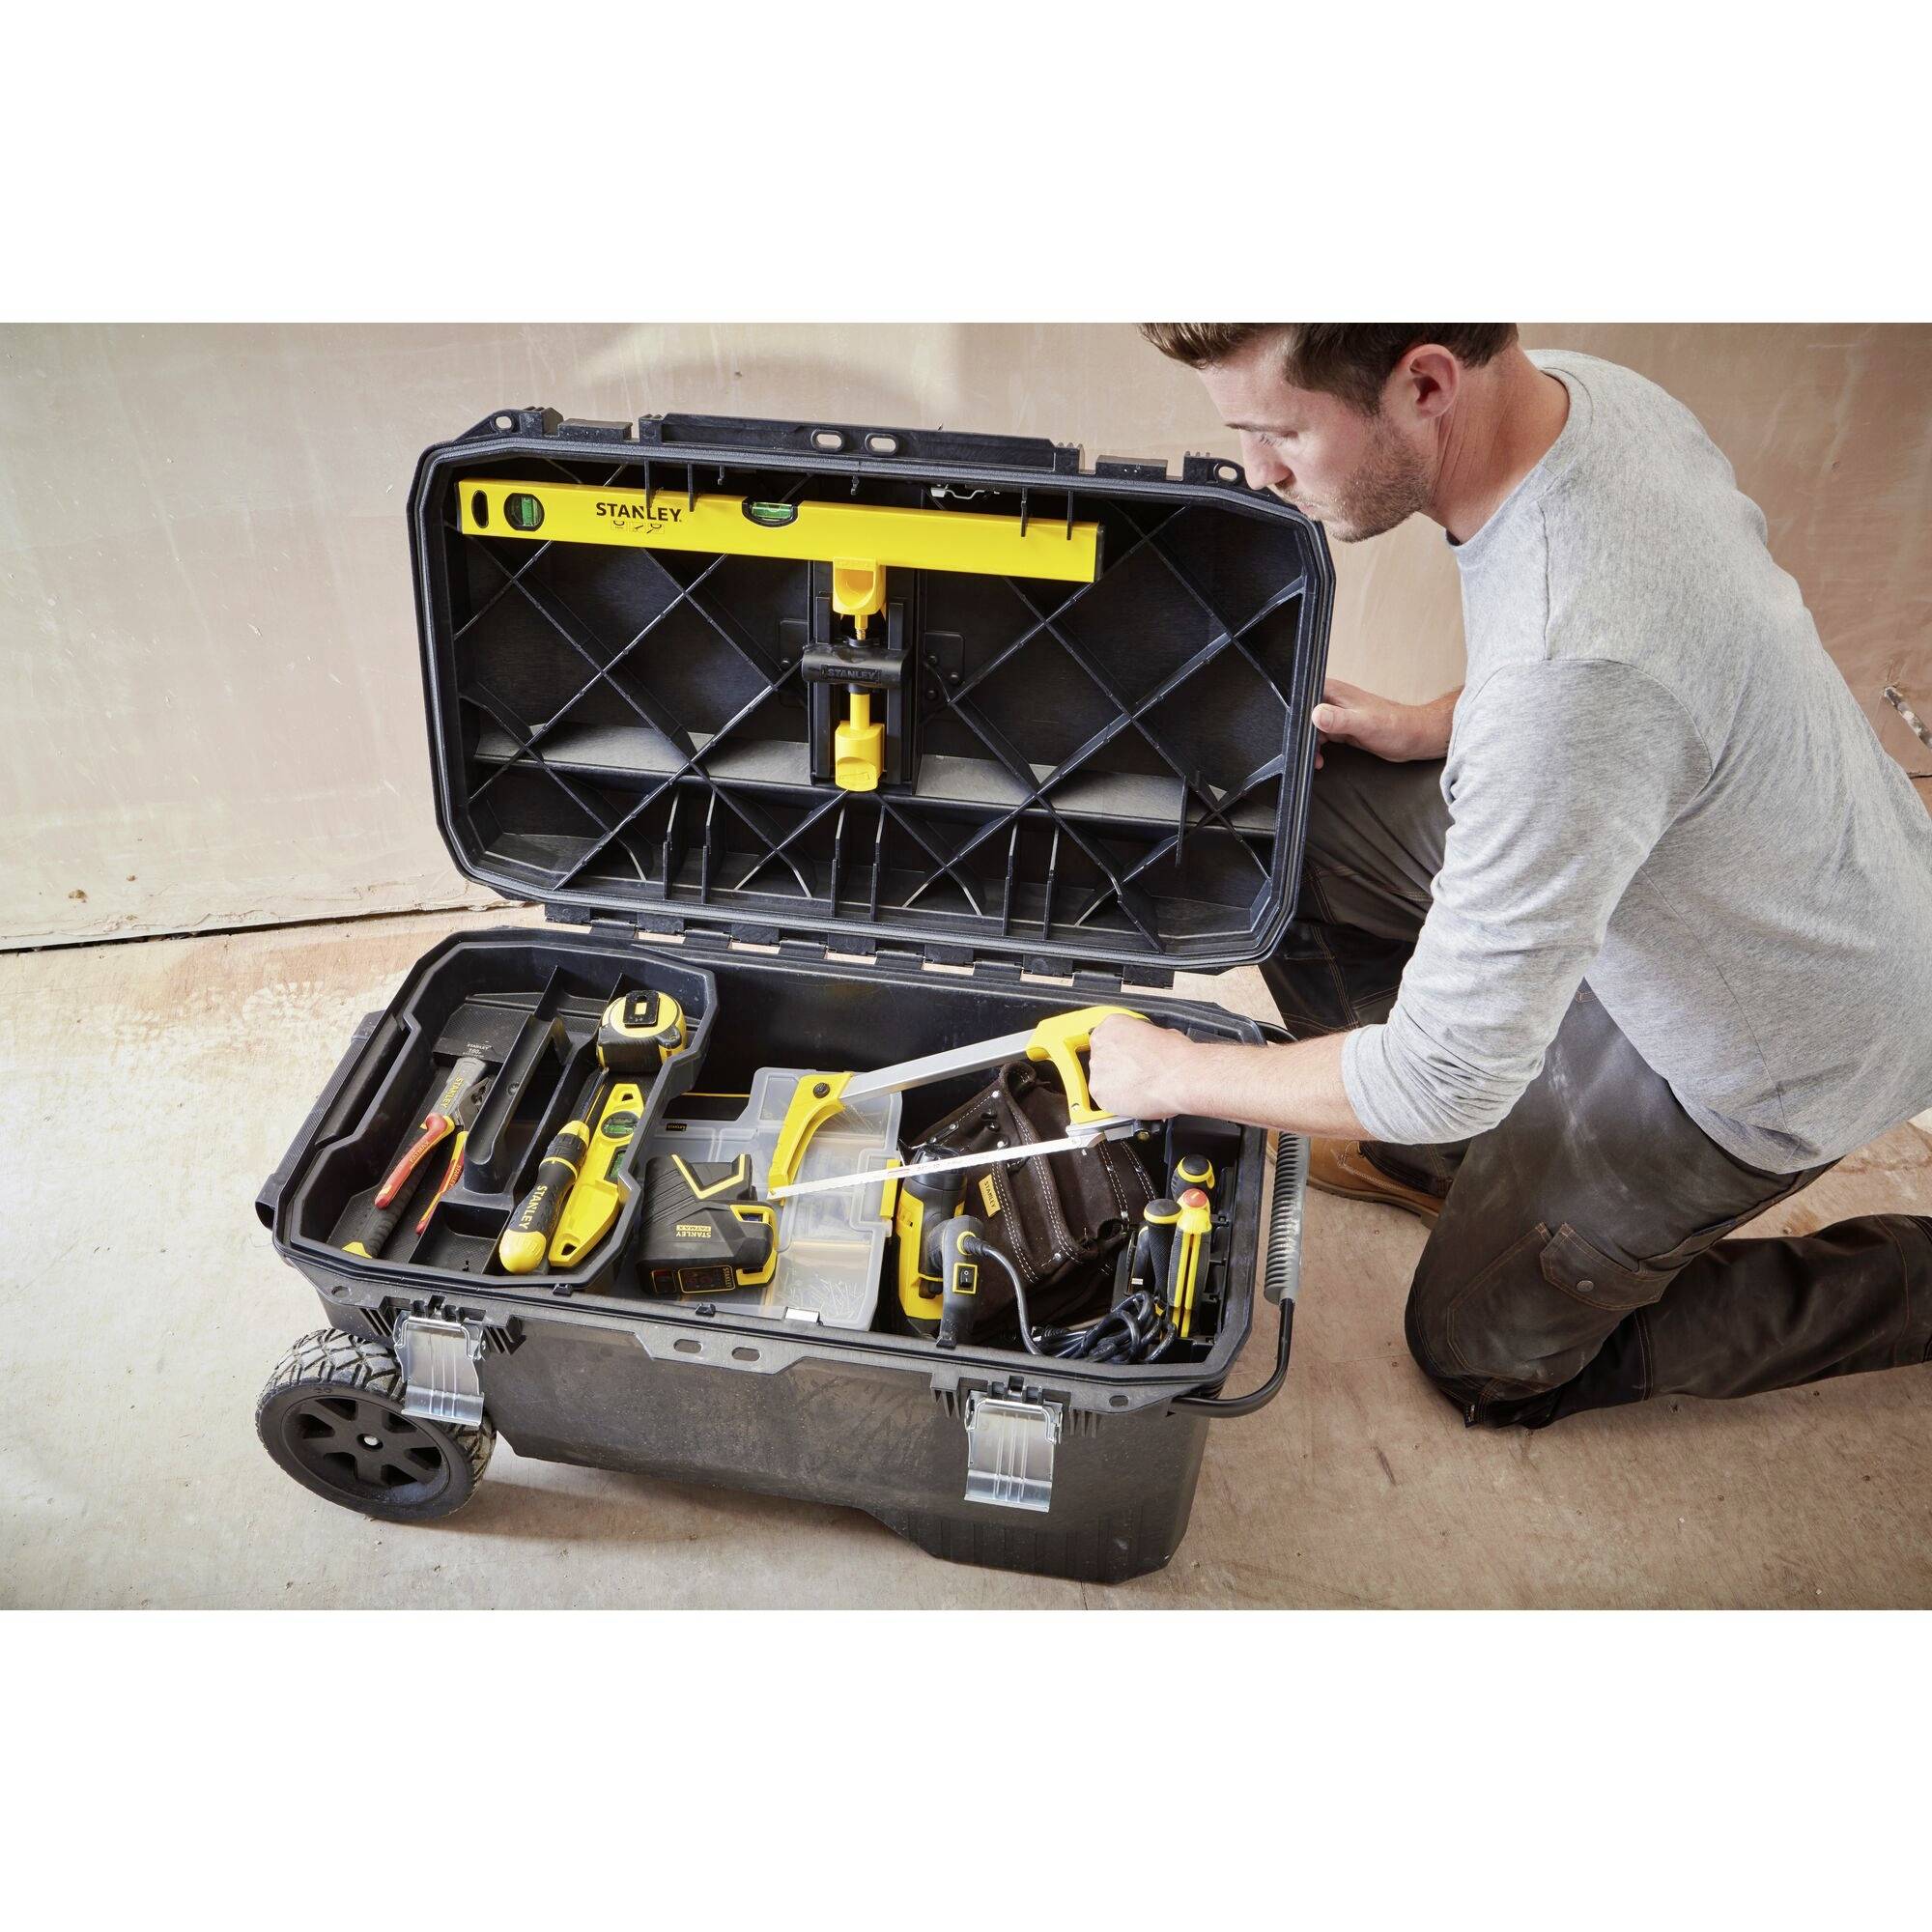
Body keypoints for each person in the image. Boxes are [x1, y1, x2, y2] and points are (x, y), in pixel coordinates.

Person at [1088, 324, 1932, 1428]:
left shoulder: (1568, 684)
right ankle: (1443, 1158)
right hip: (1709, 864)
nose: (1258, 473)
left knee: (1473, 1352)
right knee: (1286, 824)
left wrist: (1175, 1073)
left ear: (1424, 383)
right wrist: (1439, 720)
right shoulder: (1586, 404)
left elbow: (1445, 1068)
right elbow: (1633, 666)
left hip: (1778, 1040)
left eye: (1277, 432)